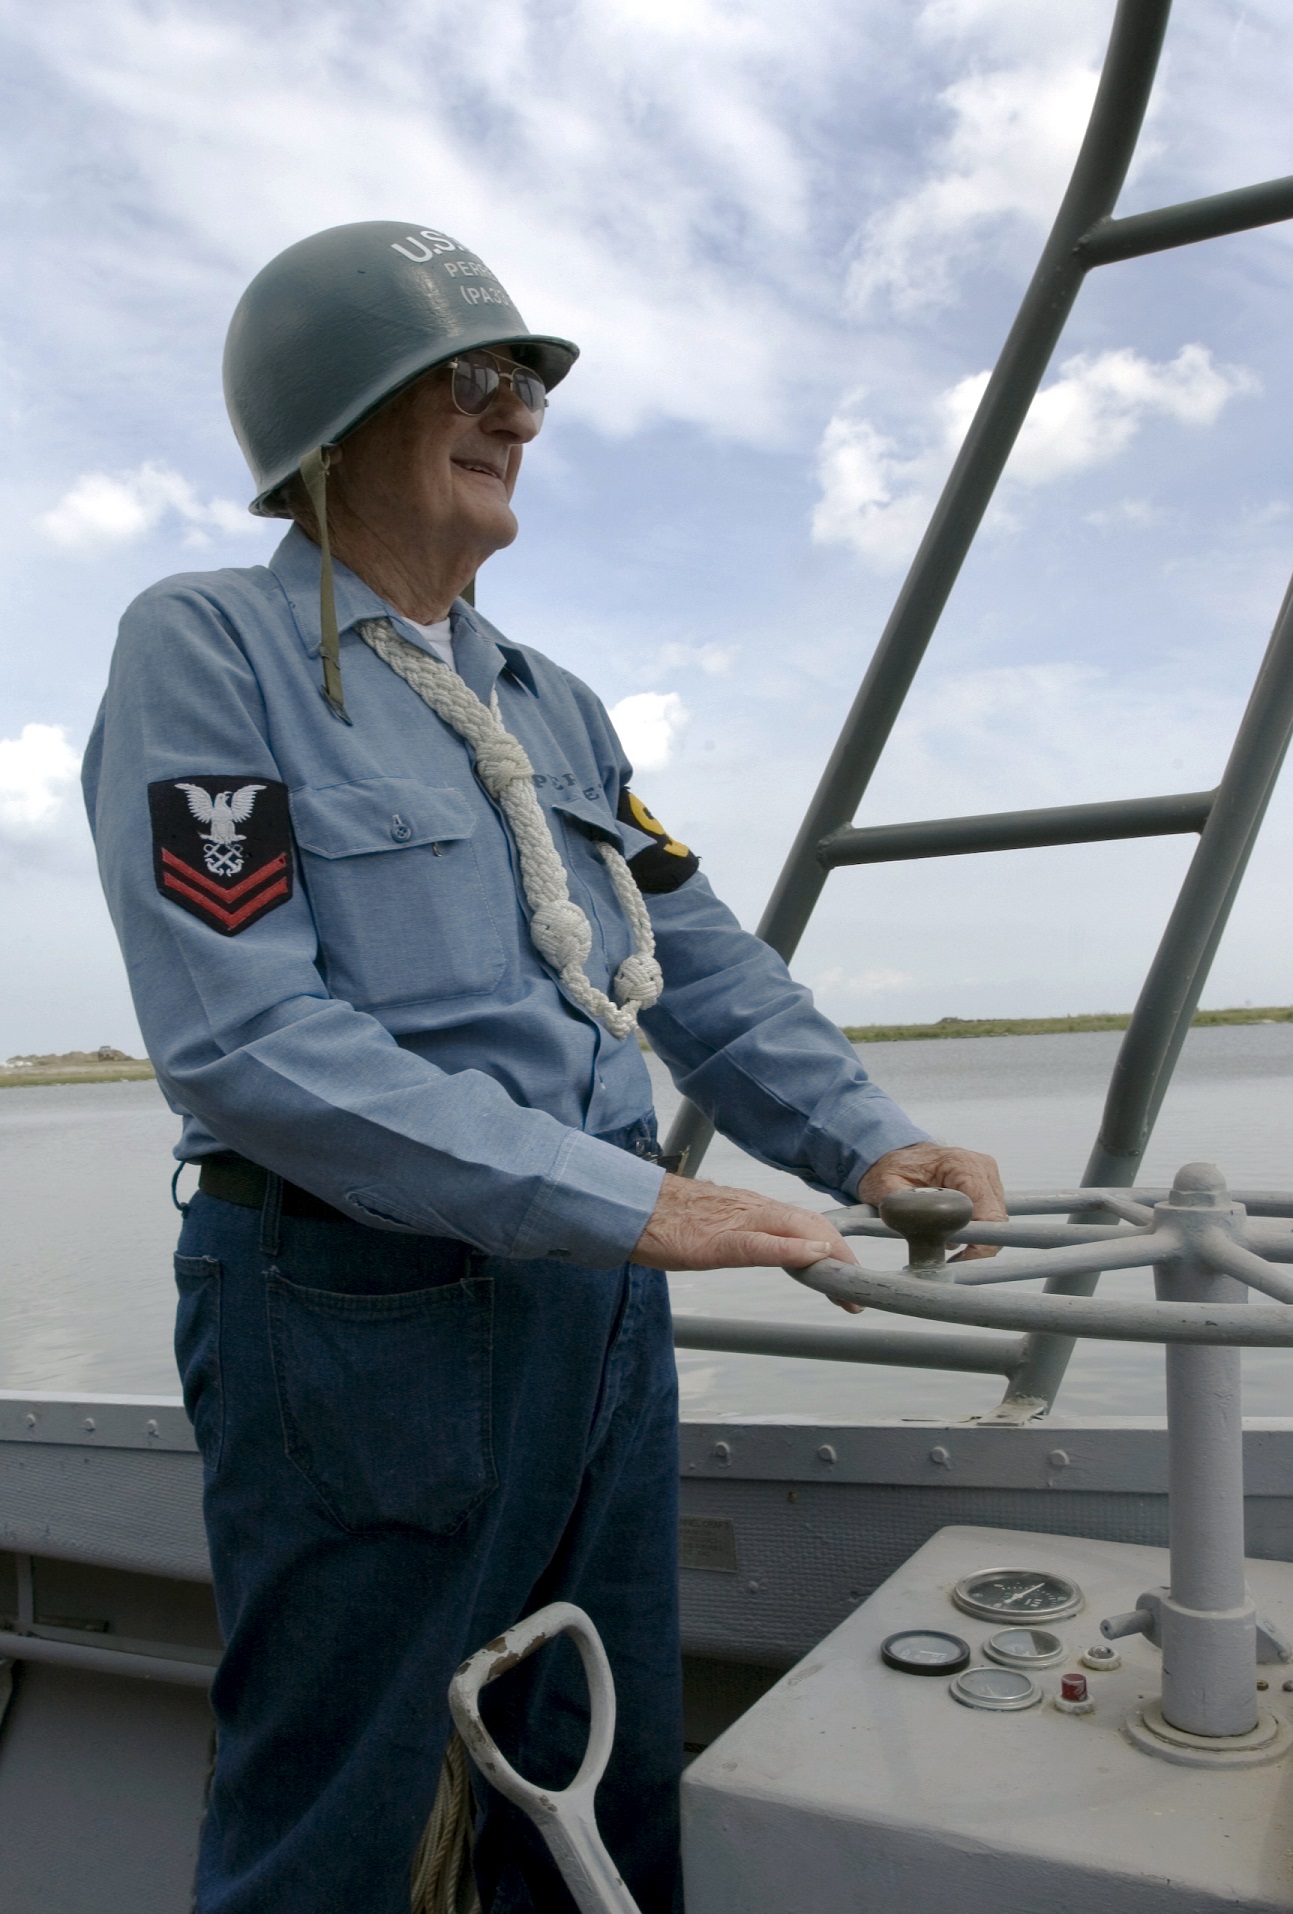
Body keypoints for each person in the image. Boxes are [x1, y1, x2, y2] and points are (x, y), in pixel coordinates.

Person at [82, 221, 1006, 1914]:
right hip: (357, 1312)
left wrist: (870, 1144)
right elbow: (242, 1037)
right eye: (474, 380)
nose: (517, 415)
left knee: (598, 1769)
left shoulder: (551, 702)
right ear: (331, 421)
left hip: (594, 1307)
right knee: (343, 1793)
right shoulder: (208, 649)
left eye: (528, 388)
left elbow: (696, 951)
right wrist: (632, 1197)